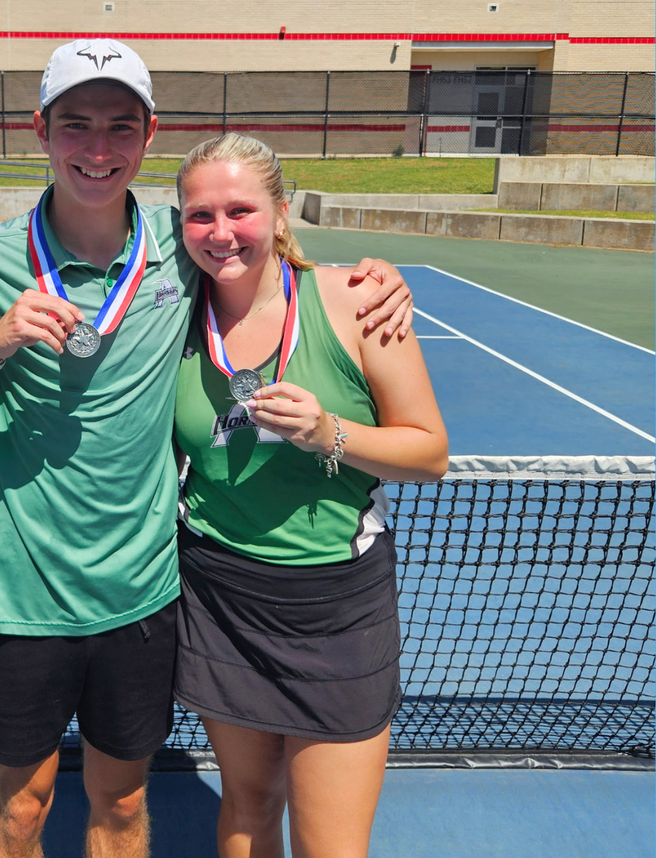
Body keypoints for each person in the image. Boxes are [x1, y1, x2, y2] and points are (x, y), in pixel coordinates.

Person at [0, 39, 415, 858]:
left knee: (126, 805)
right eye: (75, 125)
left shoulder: (185, 244)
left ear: (147, 135)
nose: (97, 150)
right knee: (22, 811)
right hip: (21, 595)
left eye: (118, 127)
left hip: (144, 594)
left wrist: (374, 277)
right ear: (40, 130)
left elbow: (263, 260)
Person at [173, 133, 448, 858]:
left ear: (281, 213)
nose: (221, 232)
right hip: (219, 596)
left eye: (241, 209)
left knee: (330, 845)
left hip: (336, 608)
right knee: (247, 808)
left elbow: (429, 453)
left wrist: (330, 431)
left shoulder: (357, 302)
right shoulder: (170, 313)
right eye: (200, 215)